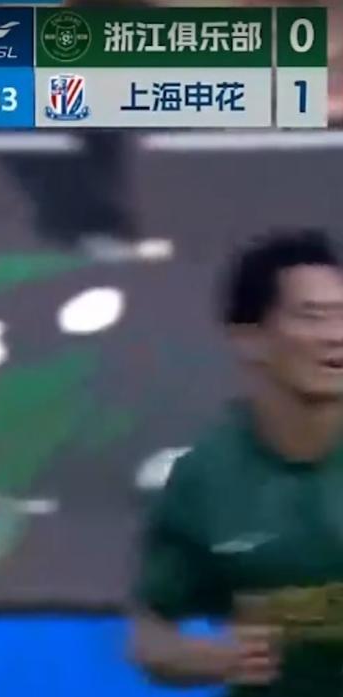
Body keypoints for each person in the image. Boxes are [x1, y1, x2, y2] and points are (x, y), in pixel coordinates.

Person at [131, 228, 343, 696]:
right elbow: (151, 635)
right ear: (249, 339)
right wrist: (201, 658)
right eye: (312, 316)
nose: (336, 335)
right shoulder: (205, 478)